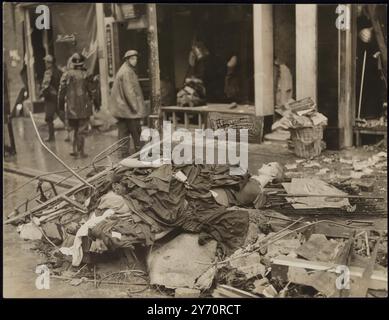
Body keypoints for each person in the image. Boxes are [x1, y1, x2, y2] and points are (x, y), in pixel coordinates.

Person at [109, 50, 150, 158]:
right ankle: (140, 153)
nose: (135, 61)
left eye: (136, 58)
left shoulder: (124, 69)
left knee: (123, 132)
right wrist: (136, 108)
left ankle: (123, 155)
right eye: (132, 59)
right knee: (136, 132)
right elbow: (129, 92)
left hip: (122, 109)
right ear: (127, 60)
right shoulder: (127, 72)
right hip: (129, 110)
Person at [58, 53, 93, 158]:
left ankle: (74, 150)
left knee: (74, 128)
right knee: (82, 130)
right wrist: (93, 102)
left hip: (70, 107)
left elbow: (61, 91)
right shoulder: (86, 74)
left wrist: (60, 106)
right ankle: (80, 152)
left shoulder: (66, 74)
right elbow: (91, 91)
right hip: (84, 107)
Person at [39, 55, 64, 142]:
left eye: (46, 62)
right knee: (62, 115)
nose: (45, 63)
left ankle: (51, 137)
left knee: (49, 117)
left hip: (50, 97)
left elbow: (45, 86)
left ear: (49, 63)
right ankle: (71, 133)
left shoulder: (48, 72)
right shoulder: (59, 71)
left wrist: (41, 93)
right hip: (58, 96)